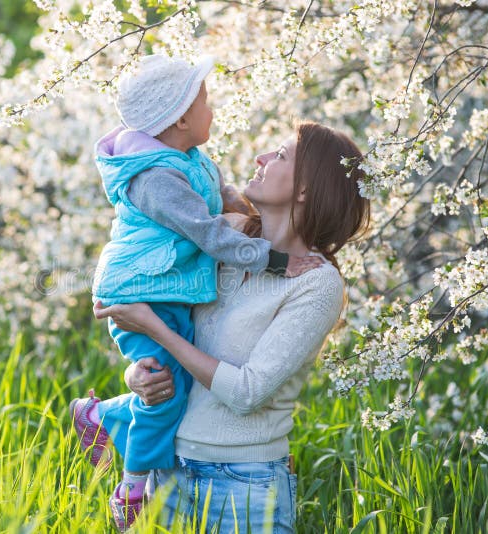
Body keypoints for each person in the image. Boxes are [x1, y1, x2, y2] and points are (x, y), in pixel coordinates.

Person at [68, 54, 323, 531]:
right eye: (205, 100)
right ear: (182, 118)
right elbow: (206, 230)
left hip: (243, 480)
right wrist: (273, 259)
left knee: (164, 383)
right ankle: (133, 484)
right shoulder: (159, 179)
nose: (213, 109)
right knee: (163, 389)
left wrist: (241, 207)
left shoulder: (189, 162)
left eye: (281, 158)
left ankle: (105, 418)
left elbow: (220, 195)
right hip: (143, 287)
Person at [93, 122, 371, 532]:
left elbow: (246, 392)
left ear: (306, 189)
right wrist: (138, 374)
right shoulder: (223, 239)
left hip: (245, 486)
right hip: (168, 471)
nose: (260, 159)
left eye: (279, 155)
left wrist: (155, 330)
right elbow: (167, 321)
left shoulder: (316, 283)